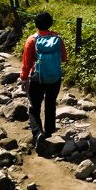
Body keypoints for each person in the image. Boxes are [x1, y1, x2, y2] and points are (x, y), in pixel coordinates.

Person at [21, 11, 67, 146]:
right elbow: (64, 58)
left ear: (36, 24)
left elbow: (26, 63)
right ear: (50, 23)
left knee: (34, 107)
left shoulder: (32, 40)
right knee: (50, 103)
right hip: (55, 78)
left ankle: (37, 133)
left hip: (38, 79)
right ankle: (49, 131)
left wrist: (24, 78)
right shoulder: (57, 38)